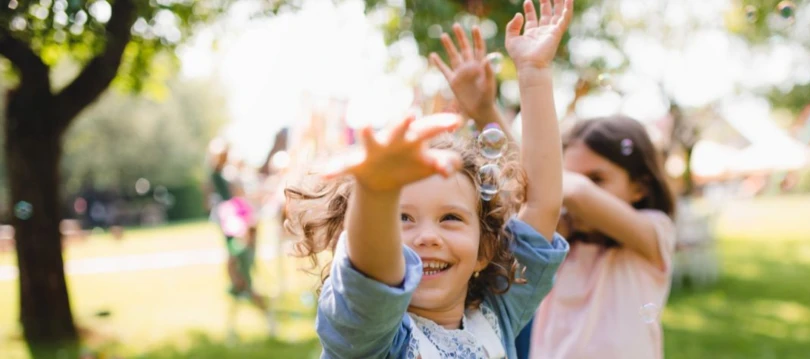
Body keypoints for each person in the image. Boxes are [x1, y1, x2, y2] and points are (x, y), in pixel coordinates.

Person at [284, 1, 573, 357]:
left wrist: (534, 71)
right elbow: (373, 281)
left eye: (450, 217)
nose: (427, 237)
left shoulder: (498, 314)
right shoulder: (373, 338)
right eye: (401, 218)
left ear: (485, 249)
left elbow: (542, 203)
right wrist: (376, 191)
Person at [530, 116, 678, 359]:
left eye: (597, 179)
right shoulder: (559, 242)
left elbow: (577, 193)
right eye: (568, 174)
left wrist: (550, 178)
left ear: (639, 188)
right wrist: (485, 112)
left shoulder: (653, 232)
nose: (566, 194)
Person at [205, 138, 277, 340]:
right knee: (238, 289)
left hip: (241, 247)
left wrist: (239, 249)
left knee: (243, 287)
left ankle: (268, 321)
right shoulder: (225, 193)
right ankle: (234, 330)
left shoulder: (235, 196)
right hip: (236, 245)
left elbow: (244, 224)